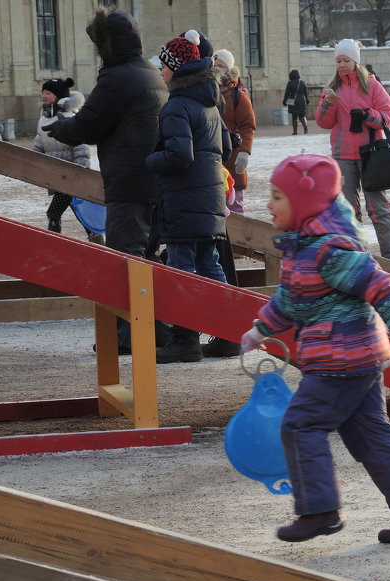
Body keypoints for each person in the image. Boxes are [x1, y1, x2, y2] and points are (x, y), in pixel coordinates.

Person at [239, 154, 390, 546]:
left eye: (277, 197)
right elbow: (289, 300)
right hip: (356, 360)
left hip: (340, 361)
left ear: (304, 204)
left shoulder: (330, 251)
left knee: (300, 425)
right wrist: (261, 328)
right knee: (370, 435)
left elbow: (380, 285)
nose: (269, 205)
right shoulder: (303, 251)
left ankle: (319, 511)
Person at [45, 6, 167, 354]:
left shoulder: (118, 78)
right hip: (153, 181)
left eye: (100, 43)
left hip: (129, 182)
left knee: (124, 261)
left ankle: (127, 337)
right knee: (147, 258)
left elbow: (89, 124)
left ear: (109, 44)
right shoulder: (148, 71)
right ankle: (157, 332)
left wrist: (59, 127)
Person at [146, 32, 233, 364]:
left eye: (164, 67)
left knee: (180, 268)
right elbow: (224, 148)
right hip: (209, 199)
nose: (161, 72)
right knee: (210, 264)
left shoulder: (176, 106)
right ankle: (228, 333)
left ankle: (185, 339)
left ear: (176, 69)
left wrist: (150, 159)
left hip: (183, 200)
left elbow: (178, 156)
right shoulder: (209, 102)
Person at [315, 39, 390, 262]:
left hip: (371, 155)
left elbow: (388, 116)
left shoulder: (372, 85)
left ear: (355, 61)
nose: (342, 64)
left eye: (346, 60)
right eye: (338, 61)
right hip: (342, 156)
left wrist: (367, 115)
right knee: (347, 211)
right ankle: (356, 256)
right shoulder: (332, 89)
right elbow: (323, 122)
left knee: (379, 209)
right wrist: (329, 103)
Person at [33, 78, 103, 245]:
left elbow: (81, 148)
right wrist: (32, 161)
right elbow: (38, 143)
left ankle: (54, 243)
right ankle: (95, 236)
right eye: (43, 92)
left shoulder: (70, 117)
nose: (44, 96)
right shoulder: (43, 119)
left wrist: (80, 172)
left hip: (71, 176)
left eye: (48, 93)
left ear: (59, 96)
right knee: (79, 209)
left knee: (53, 213)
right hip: (56, 176)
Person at [213, 49, 255, 216]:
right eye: (215, 65)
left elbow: (248, 126)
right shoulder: (207, 92)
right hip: (214, 158)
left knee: (235, 208)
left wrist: (244, 152)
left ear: (229, 70)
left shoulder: (238, 96)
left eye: (221, 66)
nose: (217, 69)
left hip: (233, 159)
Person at [283, 69, 309, 134]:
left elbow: (287, 93)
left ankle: (295, 131)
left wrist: (284, 100)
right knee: (301, 116)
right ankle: (305, 127)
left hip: (293, 101)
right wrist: (307, 99)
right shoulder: (302, 82)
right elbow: (305, 92)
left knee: (294, 116)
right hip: (301, 100)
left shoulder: (290, 83)